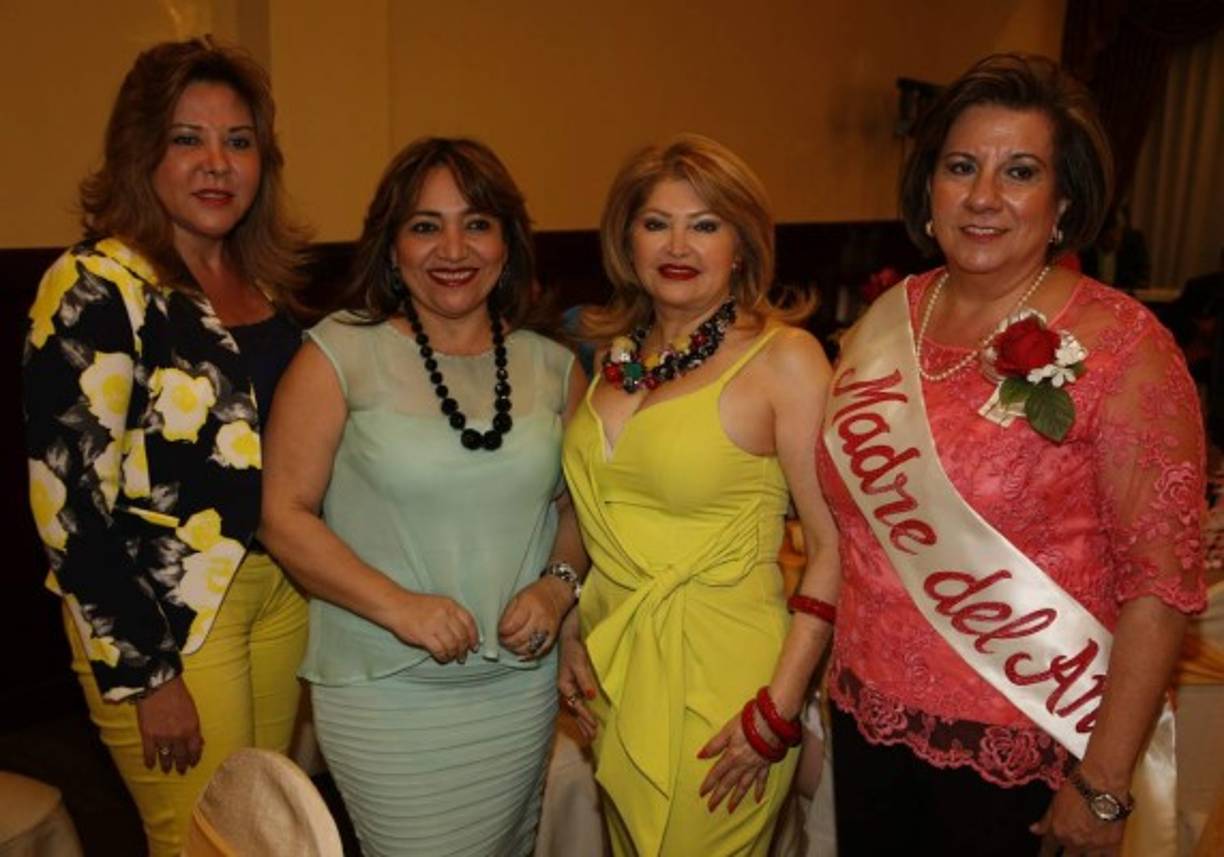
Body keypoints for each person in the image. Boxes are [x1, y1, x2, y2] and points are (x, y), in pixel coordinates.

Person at [820, 54, 1206, 856]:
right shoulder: (889, 318)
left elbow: (1162, 586)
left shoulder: (1125, 348)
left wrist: (1100, 786)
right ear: (930, 188)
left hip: (1029, 746)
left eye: (1019, 171)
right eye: (962, 166)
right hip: (865, 722)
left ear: (1064, 203)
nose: (984, 196)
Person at [259, 137, 588, 857]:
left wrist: (557, 589)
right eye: (424, 225)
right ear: (391, 246)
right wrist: (399, 606)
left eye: (476, 223)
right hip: (385, 686)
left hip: (517, 687)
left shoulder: (556, 367)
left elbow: (578, 512)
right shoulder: (336, 353)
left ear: (507, 242)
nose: (453, 248)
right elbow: (283, 516)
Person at [23, 37, 310, 856]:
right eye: (188, 138)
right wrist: (149, 675)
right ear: (141, 152)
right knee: (204, 843)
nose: (217, 163)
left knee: (269, 835)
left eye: (239, 141)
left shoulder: (262, 285)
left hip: (278, 593)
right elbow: (67, 505)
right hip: (168, 620)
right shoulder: (95, 285)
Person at [558, 134, 840, 856]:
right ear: (628, 240)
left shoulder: (784, 358)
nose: (677, 244)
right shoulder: (614, 359)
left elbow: (835, 547)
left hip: (725, 689)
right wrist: (569, 632)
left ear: (742, 244)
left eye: (705, 224)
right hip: (614, 673)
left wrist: (778, 709)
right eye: (656, 222)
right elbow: (587, 521)